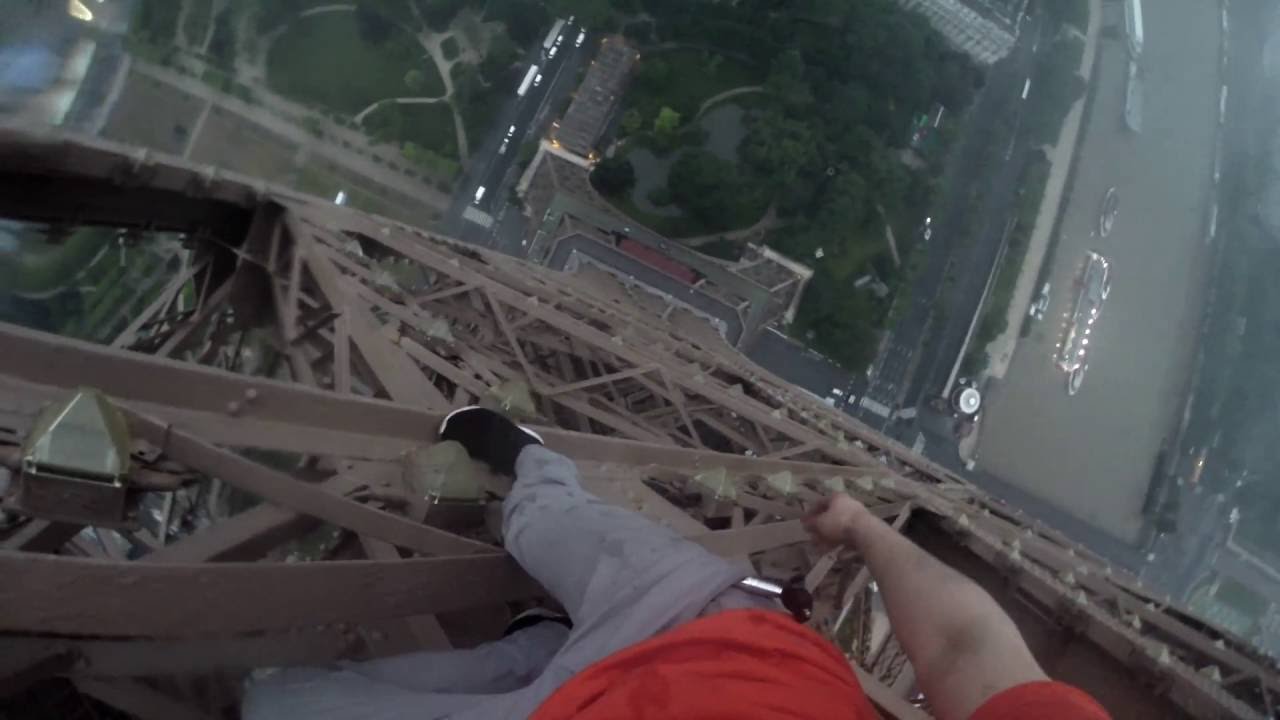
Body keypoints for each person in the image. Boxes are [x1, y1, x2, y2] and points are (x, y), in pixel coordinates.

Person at [244, 407, 1111, 720]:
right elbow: (963, 654)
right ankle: (535, 473)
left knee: (277, 703)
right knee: (544, 519)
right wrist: (860, 529)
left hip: (656, 667)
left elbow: (965, 650)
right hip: (729, 635)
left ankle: (537, 645)